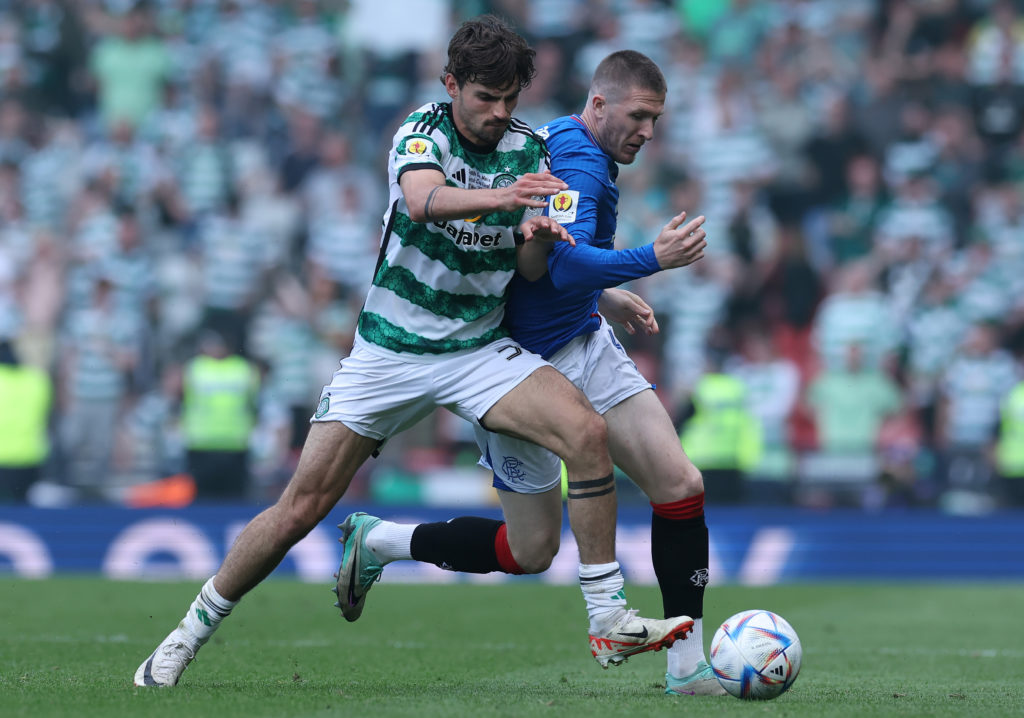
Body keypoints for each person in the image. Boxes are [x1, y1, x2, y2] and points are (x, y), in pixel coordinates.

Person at [134, 17, 689, 688]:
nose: (498, 113)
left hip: (478, 348)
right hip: (388, 352)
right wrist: (506, 200)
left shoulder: (532, 151)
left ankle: (607, 617)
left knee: (585, 431)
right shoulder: (419, 131)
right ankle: (186, 635)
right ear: (452, 85)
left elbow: (539, 270)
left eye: (510, 99)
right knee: (301, 507)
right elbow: (424, 201)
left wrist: (544, 238)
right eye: (485, 97)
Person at [339, 50, 724, 696]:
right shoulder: (576, 160)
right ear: (598, 106)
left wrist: (606, 295)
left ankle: (687, 668)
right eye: (639, 116)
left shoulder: (578, 150)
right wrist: (648, 259)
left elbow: (548, 262)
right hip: (520, 369)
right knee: (531, 551)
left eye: (656, 119)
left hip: (582, 341)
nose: (648, 131)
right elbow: (562, 267)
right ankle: (382, 541)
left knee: (680, 484)